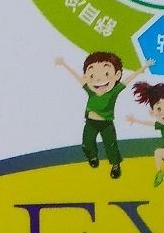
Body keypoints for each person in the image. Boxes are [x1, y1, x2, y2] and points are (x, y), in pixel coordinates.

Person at [55, 50, 151, 178]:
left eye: (106, 74)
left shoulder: (113, 91)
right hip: (90, 123)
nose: (99, 79)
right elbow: (77, 77)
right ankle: (93, 157)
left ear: (117, 75)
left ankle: (115, 165)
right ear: (86, 77)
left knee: (110, 145)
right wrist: (64, 64)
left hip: (106, 124)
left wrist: (143, 67)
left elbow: (128, 79)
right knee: (87, 143)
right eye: (92, 75)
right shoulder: (90, 90)